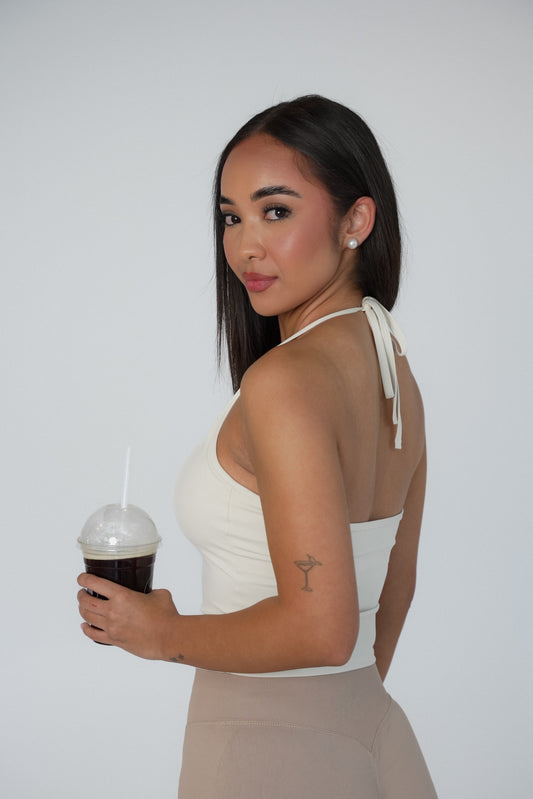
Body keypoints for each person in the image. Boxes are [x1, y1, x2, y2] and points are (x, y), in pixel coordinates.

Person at [78, 95, 438, 798]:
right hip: (372, 733)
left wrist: (162, 633)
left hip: (261, 751)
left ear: (355, 221)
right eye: (231, 217)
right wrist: (334, 717)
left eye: (275, 211)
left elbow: (321, 628)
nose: (245, 245)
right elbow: (393, 586)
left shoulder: (284, 381)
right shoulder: (393, 369)